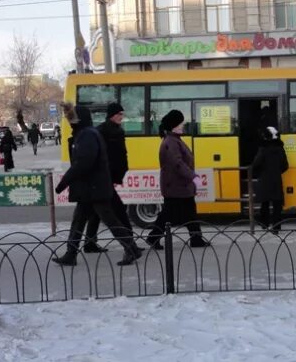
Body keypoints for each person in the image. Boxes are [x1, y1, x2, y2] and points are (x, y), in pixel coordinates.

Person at [52, 103, 141, 266]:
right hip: (90, 188)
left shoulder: (87, 135)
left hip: (94, 188)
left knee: (111, 221)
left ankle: (132, 249)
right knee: (78, 221)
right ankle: (70, 254)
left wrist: (64, 182)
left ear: (79, 119)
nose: (69, 121)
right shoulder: (85, 133)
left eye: (71, 118)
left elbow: (84, 163)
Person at [83, 103, 143, 253]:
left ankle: (89, 244)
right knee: (119, 212)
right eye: (119, 114)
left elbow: (121, 155)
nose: (121, 117)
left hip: (109, 177)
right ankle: (130, 245)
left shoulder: (118, 130)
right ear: (112, 115)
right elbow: (101, 156)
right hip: (104, 177)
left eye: (122, 114)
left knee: (94, 213)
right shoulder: (101, 131)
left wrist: (119, 173)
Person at [146, 110, 210, 249]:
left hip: (179, 185)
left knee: (187, 212)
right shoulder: (171, 142)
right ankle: (154, 237)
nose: (183, 125)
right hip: (175, 186)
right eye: (181, 123)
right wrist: (194, 178)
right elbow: (178, 164)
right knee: (171, 214)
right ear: (173, 125)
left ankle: (195, 239)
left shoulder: (174, 140)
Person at [252, 126, 289, 234]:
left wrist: (259, 173)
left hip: (264, 180)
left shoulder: (263, 149)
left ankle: (265, 223)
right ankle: (276, 227)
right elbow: (285, 165)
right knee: (277, 205)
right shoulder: (280, 149)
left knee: (265, 203)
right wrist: (277, 172)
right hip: (276, 179)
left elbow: (256, 164)